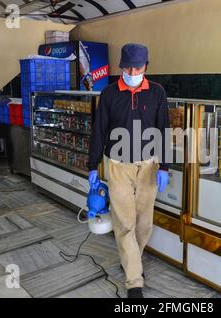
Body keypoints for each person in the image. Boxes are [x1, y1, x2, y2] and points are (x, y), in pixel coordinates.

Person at [87, 43, 170, 298]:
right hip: (118, 166)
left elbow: (163, 129)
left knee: (144, 225)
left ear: (146, 65)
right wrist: (92, 165)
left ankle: (131, 261)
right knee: (125, 224)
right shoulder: (110, 94)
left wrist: (164, 165)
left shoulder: (157, 92)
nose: (133, 71)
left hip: (148, 167)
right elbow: (99, 129)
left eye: (138, 66)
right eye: (128, 67)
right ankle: (134, 281)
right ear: (121, 66)